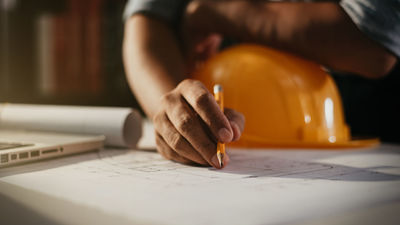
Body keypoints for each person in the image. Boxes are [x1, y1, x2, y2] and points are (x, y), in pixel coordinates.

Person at [122, 0, 399, 168]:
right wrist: (175, 112)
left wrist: (216, 11)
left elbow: (374, 44)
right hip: (234, 141)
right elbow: (147, 20)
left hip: (364, 133)